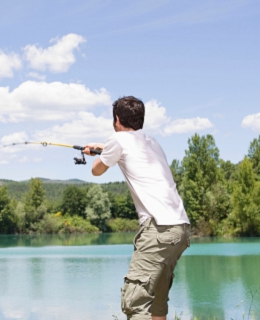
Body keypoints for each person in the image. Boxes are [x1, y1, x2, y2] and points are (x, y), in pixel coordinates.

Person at [84, 96, 190, 320]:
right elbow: (127, 147)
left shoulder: (117, 140)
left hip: (158, 230)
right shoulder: (152, 142)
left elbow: (97, 170)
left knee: (135, 302)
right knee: (157, 303)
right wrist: (102, 147)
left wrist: (97, 153)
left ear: (116, 119)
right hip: (180, 228)